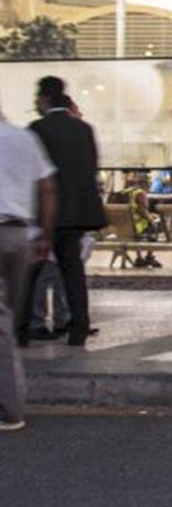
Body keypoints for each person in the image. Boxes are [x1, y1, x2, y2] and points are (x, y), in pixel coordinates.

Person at [25, 78, 104, 348]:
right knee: (73, 272)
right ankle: (78, 327)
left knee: (32, 271)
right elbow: (91, 167)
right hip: (76, 214)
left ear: (45, 98)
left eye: (37, 98)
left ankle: (22, 329)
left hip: (46, 213)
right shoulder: (84, 129)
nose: (35, 103)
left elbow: (34, 175)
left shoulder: (36, 129)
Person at [0, 94, 54, 429]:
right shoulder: (25, 138)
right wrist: (44, 235)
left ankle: (10, 408)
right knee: (7, 320)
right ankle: (11, 404)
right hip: (19, 236)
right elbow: (48, 188)